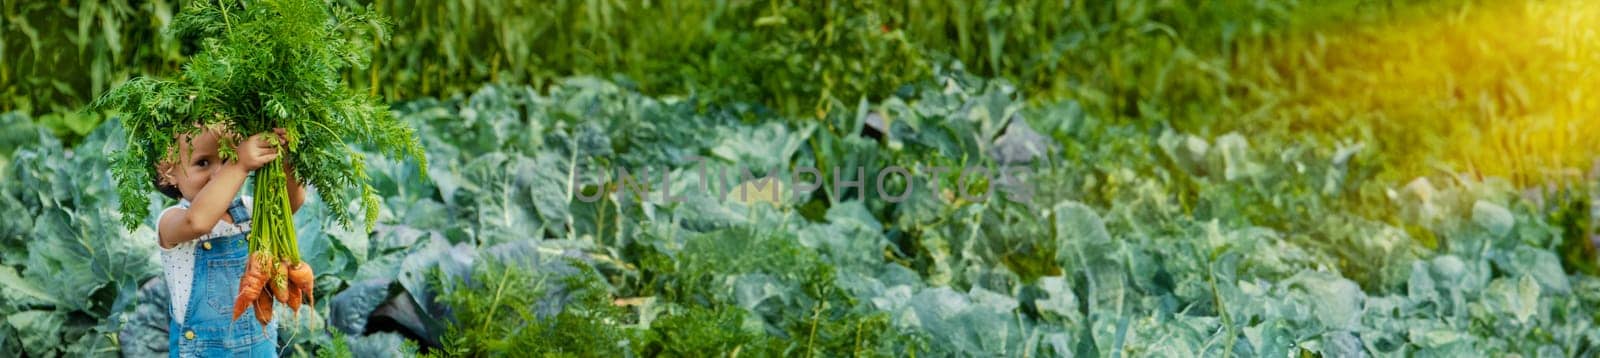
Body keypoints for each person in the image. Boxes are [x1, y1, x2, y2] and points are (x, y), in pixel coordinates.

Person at [151, 125, 304, 357]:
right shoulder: (173, 221)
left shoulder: (249, 209)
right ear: (168, 173)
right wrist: (239, 164)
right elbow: (198, 222)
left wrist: (285, 156)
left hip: (259, 344)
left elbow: (290, 205)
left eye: (226, 158)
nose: (219, 173)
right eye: (203, 163)